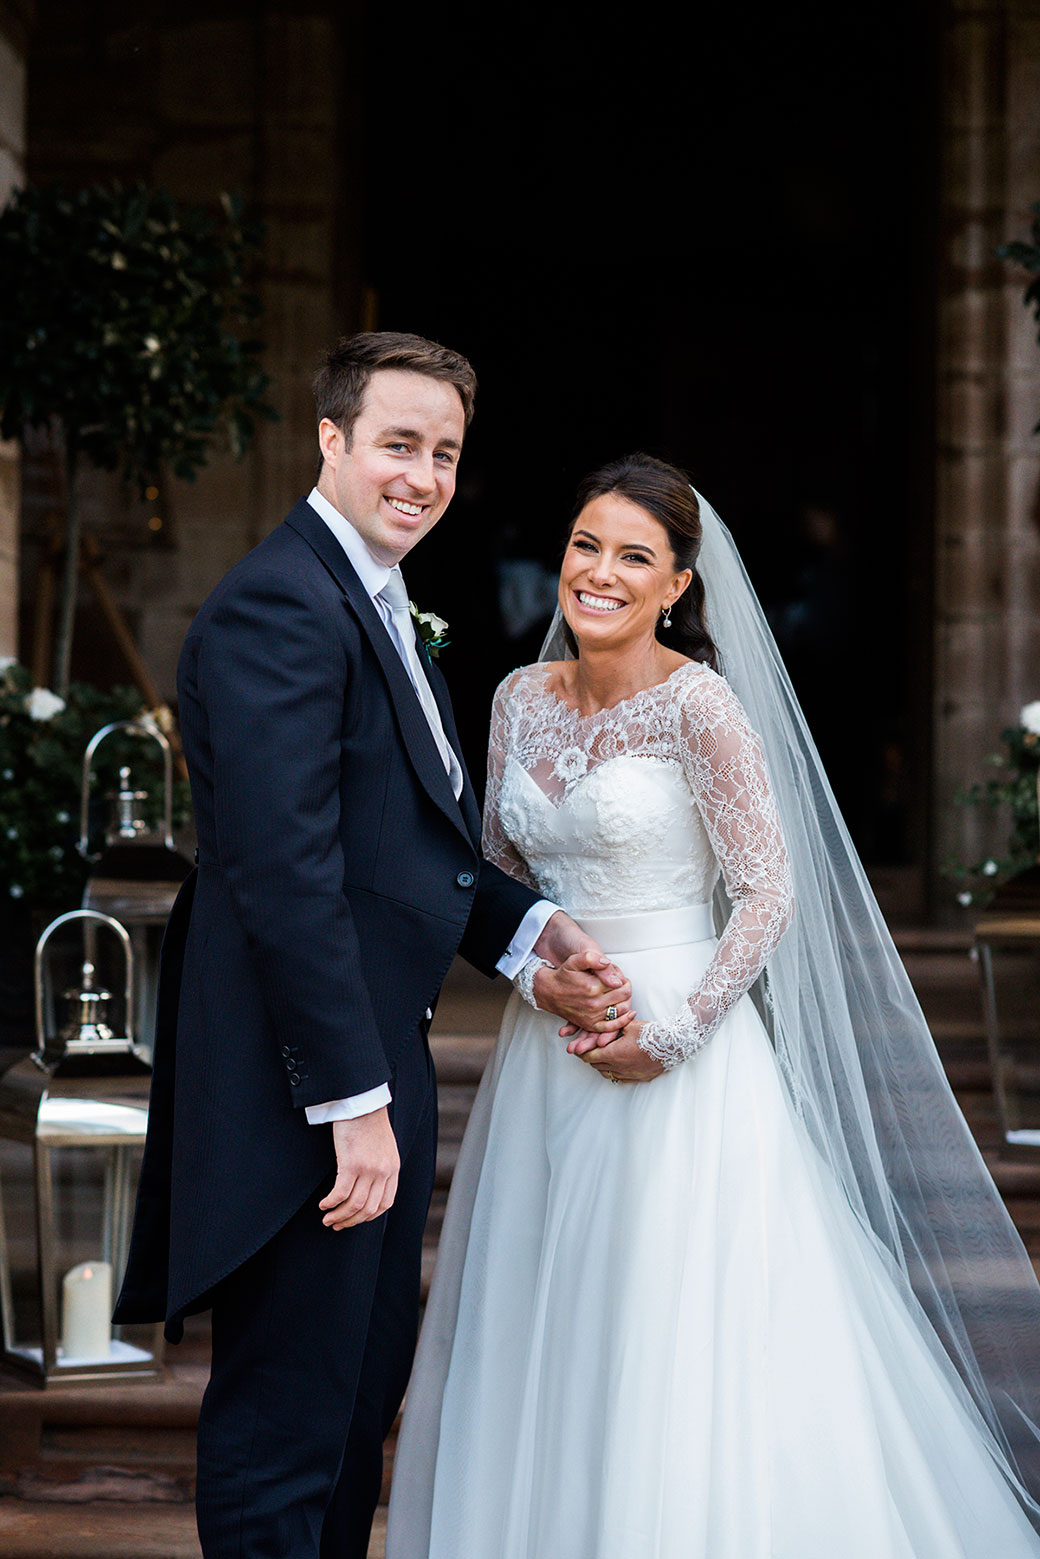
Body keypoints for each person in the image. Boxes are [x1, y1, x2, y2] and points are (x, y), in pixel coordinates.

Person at [386, 453, 1040, 1557]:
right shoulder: (513, 698)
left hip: (681, 1048)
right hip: (550, 1039)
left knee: (666, 1327)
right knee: (544, 1312)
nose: (598, 572)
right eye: (585, 544)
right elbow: (494, 873)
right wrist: (538, 967)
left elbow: (770, 890)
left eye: (632, 555)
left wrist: (673, 1030)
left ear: (677, 583)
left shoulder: (699, 704)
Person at [113, 332, 633, 1559]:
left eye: (444, 452)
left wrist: (530, 932)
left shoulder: (376, 600)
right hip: (305, 1074)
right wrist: (350, 1099)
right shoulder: (276, 607)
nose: (422, 474)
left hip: (365, 1065)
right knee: (289, 1417)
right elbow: (285, 875)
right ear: (330, 438)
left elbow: (399, 843)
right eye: (397, 443)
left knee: (355, 1400)